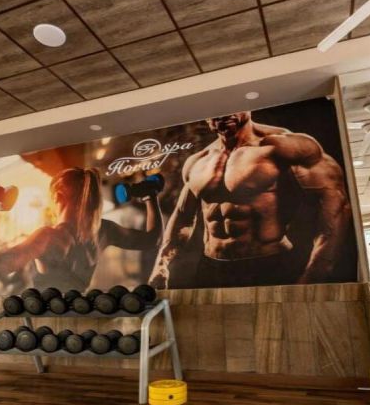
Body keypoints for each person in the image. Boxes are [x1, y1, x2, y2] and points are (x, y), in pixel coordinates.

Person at [149, 111, 351, 289]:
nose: (223, 113)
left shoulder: (284, 146)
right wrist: (161, 265)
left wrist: (316, 273)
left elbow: (337, 205)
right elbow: (183, 217)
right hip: (212, 266)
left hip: (270, 264)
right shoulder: (198, 160)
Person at [0, 167, 162, 290]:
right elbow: (153, 240)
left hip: (46, 319)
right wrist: (150, 196)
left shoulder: (48, 237)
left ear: (57, 196)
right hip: (77, 312)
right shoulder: (104, 230)